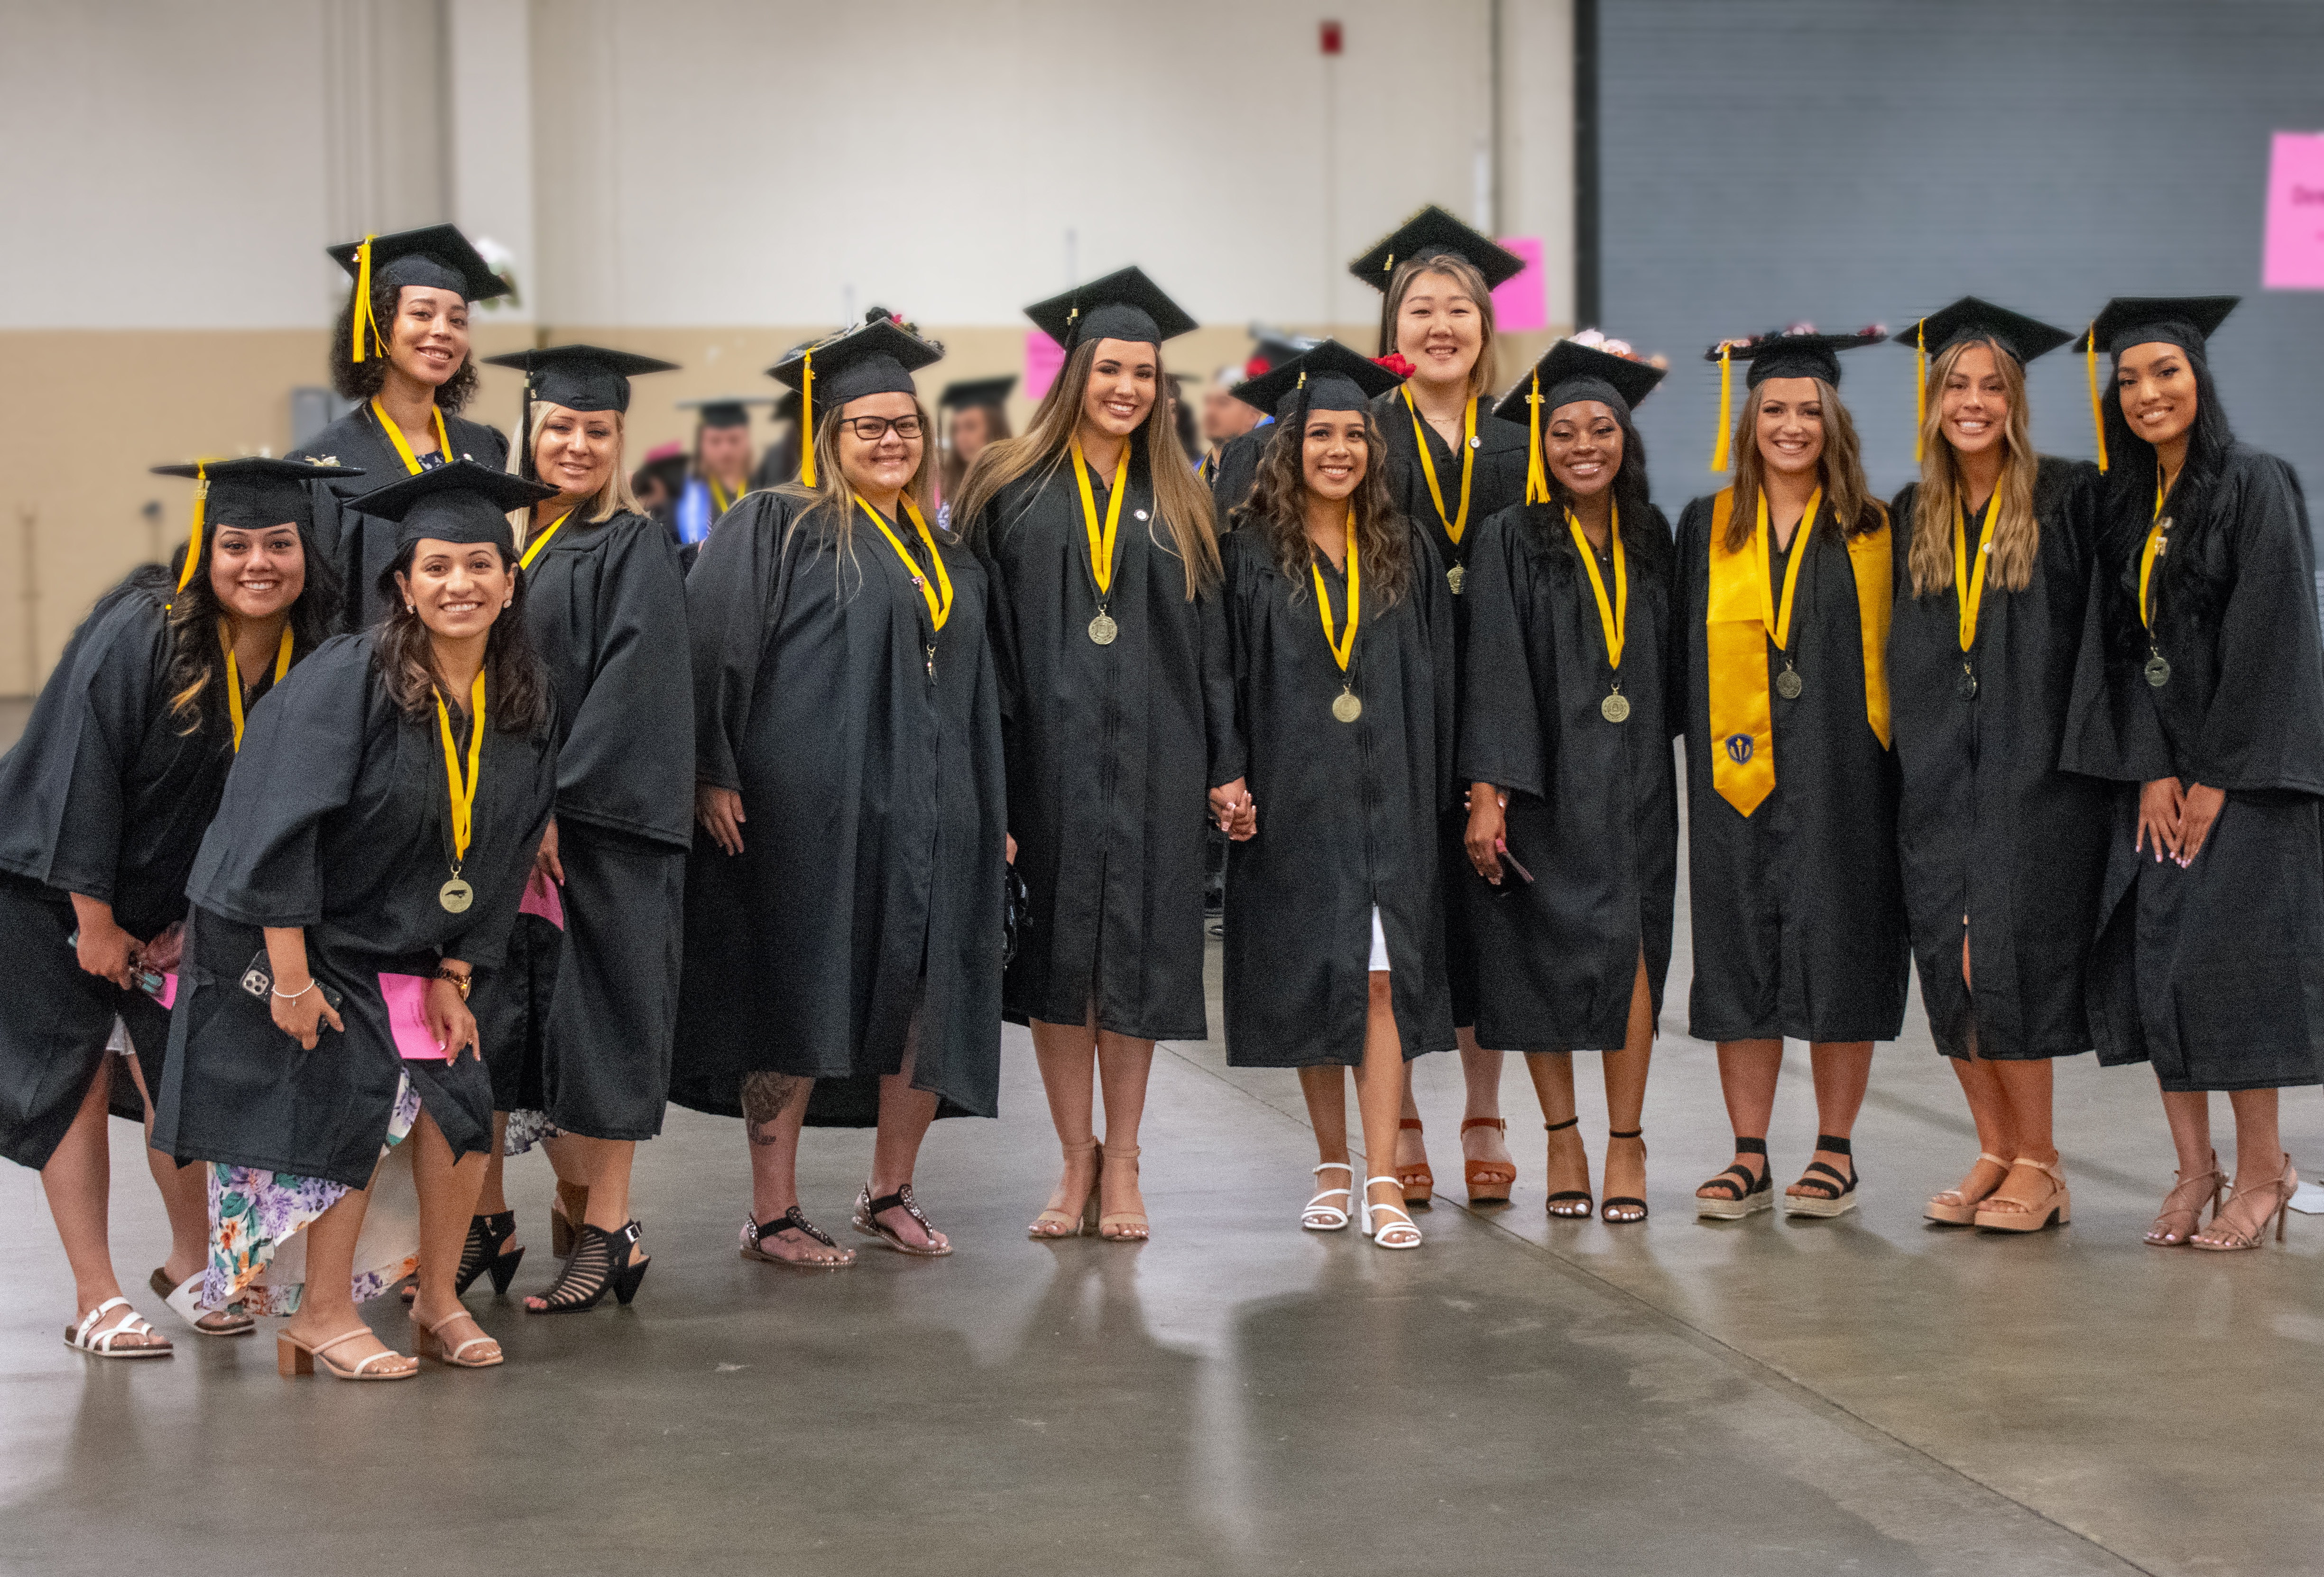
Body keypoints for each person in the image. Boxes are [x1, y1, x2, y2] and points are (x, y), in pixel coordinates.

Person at [154, 461, 561, 1379]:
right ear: (404, 586)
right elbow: (278, 825)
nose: (460, 584)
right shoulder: (350, 679)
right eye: (437, 568)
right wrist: (291, 976)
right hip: (301, 935)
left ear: (510, 581)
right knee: (355, 1084)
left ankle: (439, 1301)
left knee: (462, 1093)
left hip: (414, 946)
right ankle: (319, 1316)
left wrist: (459, 976)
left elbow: (499, 855)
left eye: (479, 566)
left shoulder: (522, 702)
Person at [675, 313, 1006, 1266]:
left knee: (922, 1001)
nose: (890, 440)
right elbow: (709, 653)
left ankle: (888, 1190)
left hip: (935, 815)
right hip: (810, 814)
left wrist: (993, 812)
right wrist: (709, 768)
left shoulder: (947, 553)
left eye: (905, 424)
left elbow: (982, 688)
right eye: (868, 426)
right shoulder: (775, 524)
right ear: (827, 436)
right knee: (797, 995)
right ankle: (772, 1211)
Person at [0, 458, 349, 1357]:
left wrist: (200, 916)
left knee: (182, 1077)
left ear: (308, 550)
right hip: (50, 889)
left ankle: (193, 1265)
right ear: (206, 548)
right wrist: (95, 919)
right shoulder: (145, 631)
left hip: (170, 908)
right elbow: (81, 772)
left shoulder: (311, 657)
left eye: (279, 543)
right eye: (236, 544)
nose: (258, 563)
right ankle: (95, 1296)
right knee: (74, 1080)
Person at [953, 269, 1246, 1243]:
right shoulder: (1005, 484)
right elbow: (979, 646)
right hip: (1041, 764)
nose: (1127, 387)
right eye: (1110, 368)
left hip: (1157, 767)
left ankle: (1123, 1157)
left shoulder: (1184, 497)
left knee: (1138, 966)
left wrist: (1224, 764)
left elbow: (1212, 651)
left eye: (1145, 373)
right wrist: (986, 787)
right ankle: (1071, 1154)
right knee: (1055, 966)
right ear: (1074, 371)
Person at [2062, 295, 2324, 1250]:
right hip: (2157, 780)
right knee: (2157, 970)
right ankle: (2192, 1170)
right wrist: (2146, 770)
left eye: (2164, 372)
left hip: (2242, 786)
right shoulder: (2124, 505)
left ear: (2198, 381)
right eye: (2127, 379)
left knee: (2231, 974)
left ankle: (2262, 1172)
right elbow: (2115, 649)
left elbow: (2274, 636)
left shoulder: (2254, 484)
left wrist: (2213, 773)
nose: (2145, 393)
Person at [470, 345, 695, 1311]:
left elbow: (632, 692)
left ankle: (609, 1227)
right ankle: (485, 1217)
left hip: (594, 834)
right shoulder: (498, 542)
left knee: (602, 1026)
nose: (574, 443)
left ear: (617, 441)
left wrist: (555, 804)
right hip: (496, 831)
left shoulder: (629, 546)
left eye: (595, 429)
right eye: (559, 426)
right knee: (487, 1027)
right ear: (530, 431)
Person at [1218, 340, 1455, 1250]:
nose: (1340, 450)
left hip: (1388, 793)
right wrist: (1231, 771)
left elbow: (1437, 683)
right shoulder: (1249, 550)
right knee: (1318, 980)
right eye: (1322, 434)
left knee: (1383, 983)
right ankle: (1329, 1164)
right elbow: (1223, 673)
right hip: (1294, 792)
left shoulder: (1405, 550)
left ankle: (1385, 1176)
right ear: (1291, 446)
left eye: (1356, 434)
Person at [1883, 300, 2107, 1233]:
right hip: (1935, 775)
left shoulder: (2066, 497)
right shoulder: (1913, 512)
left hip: (2032, 776)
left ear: (2014, 402)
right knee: (1949, 962)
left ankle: (2042, 1163)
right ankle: (1993, 1147)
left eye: (1991, 387)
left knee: (2000, 960)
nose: (1971, 402)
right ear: (1931, 402)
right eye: (1956, 387)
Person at [1678, 326, 1908, 1221]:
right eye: (1774, 408)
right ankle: (1748, 1153)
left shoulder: (1874, 529)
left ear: (1835, 421)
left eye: (1809, 410)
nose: (1791, 425)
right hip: (1735, 780)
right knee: (1740, 953)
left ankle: (1835, 1151)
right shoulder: (1708, 524)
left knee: (1843, 946)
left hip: (1847, 775)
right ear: (1750, 420)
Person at [1458, 335, 1676, 1223]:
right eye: (1565, 433)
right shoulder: (1510, 537)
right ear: (1541, 447)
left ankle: (1628, 1142)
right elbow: (1496, 667)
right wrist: (1489, 792)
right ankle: (1563, 1137)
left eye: (1602, 429)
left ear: (1626, 438)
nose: (1584, 445)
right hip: (1542, 781)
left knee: (1631, 957)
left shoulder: (1654, 535)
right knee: (1540, 961)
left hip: (1634, 784)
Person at [1347, 206, 1531, 1209]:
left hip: (1496, 701)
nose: (1440, 325)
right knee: (1397, 915)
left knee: (1487, 916)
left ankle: (1482, 1106)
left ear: (1484, 327)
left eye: (1458, 308)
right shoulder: (1360, 437)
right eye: (1420, 309)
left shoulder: (1523, 443)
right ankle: (1402, 1111)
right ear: (1393, 328)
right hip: (1391, 706)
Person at [290, 225, 513, 630]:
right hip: (371, 677)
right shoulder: (324, 466)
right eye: (422, 314)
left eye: (458, 320)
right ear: (380, 324)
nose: (443, 331)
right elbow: (317, 612)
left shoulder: (486, 449)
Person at [673, 397, 767, 548]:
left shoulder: (769, 488)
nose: (725, 450)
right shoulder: (679, 494)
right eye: (715, 441)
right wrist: (697, 550)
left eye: (734, 440)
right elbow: (667, 555)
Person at [937, 374, 1014, 514]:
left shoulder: (1012, 488)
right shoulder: (948, 481)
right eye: (956, 429)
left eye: (971, 427)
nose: (961, 437)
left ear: (995, 430)